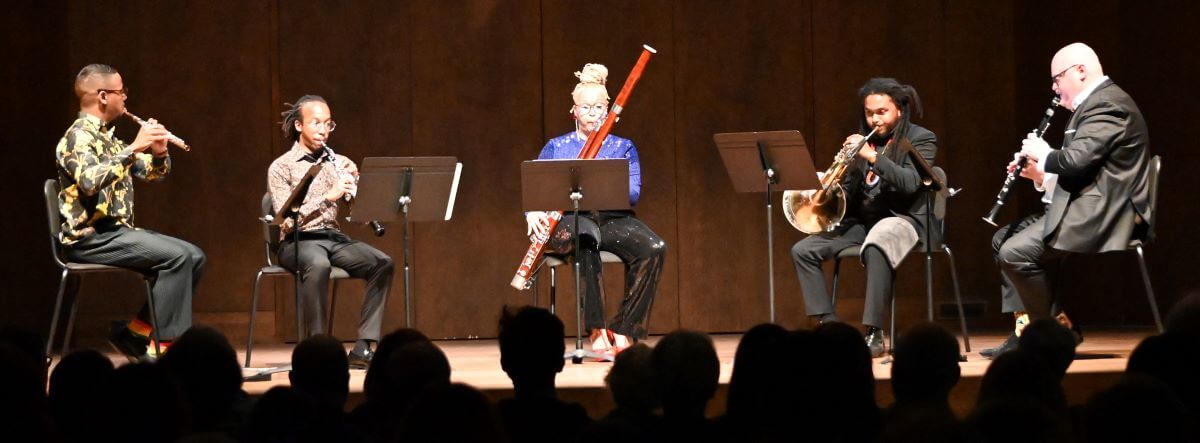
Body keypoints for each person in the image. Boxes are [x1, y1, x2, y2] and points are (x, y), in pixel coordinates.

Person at [54, 63, 206, 362]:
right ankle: (164, 352)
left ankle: (135, 334)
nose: (125, 98)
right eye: (121, 92)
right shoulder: (77, 138)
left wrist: (160, 151)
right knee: (176, 258)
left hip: (115, 233)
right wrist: (135, 146)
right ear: (102, 96)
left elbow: (152, 174)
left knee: (195, 256)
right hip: (89, 238)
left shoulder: (107, 138)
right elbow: (88, 181)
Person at [998, 42, 1151, 324]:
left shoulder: (1108, 104)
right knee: (1003, 239)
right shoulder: (1094, 105)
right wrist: (1041, 176)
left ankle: (1047, 333)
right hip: (1090, 205)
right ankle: (1032, 330)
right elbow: (1087, 170)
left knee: (1014, 252)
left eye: (1057, 79)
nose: (1055, 88)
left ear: (1080, 71)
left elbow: (1075, 162)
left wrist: (1043, 154)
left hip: (1108, 212)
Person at [525, 64, 667, 355]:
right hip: (570, 220)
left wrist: (601, 180)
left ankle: (625, 327)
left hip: (613, 218)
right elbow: (536, 191)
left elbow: (633, 193)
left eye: (599, 107)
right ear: (573, 111)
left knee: (655, 247)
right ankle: (597, 327)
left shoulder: (623, 146)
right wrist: (533, 213)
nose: (592, 113)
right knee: (586, 240)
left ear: (609, 110)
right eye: (586, 107)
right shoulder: (557, 147)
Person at [790, 77, 938, 357]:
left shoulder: (921, 139)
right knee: (803, 250)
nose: (874, 119)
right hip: (864, 221)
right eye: (869, 113)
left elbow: (910, 183)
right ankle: (828, 325)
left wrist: (872, 157)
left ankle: (874, 332)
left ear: (899, 110)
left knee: (877, 245)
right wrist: (832, 185)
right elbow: (850, 193)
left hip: (904, 218)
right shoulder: (862, 140)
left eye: (881, 112)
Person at [267, 95, 395, 367]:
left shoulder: (338, 162)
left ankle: (363, 349)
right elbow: (285, 221)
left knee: (382, 263)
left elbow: (358, 218)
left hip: (332, 237)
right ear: (299, 126)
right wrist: (328, 196)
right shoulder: (281, 167)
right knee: (318, 263)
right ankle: (317, 349)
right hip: (296, 241)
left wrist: (358, 190)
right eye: (316, 123)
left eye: (328, 124)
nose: (323, 130)